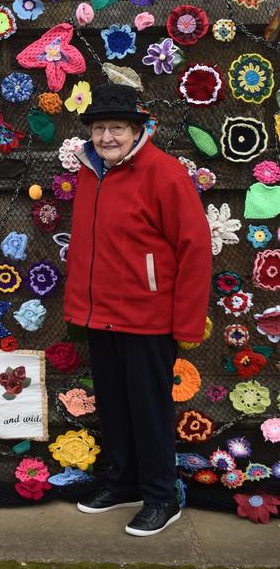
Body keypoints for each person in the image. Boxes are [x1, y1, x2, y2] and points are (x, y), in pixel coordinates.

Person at [63, 83, 212, 537]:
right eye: (100, 128)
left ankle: (161, 496)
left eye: (118, 128)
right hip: (99, 312)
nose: (108, 137)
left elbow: (195, 248)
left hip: (148, 316)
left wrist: (186, 322)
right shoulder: (91, 172)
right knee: (114, 404)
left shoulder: (164, 173)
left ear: (138, 130)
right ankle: (123, 481)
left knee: (148, 409)